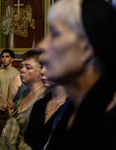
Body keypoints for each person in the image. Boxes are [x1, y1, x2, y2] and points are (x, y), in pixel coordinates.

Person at [38, 0, 116, 149]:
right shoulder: (71, 110)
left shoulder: (112, 120)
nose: (41, 46)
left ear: (86, 48)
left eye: (55, 34)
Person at [0, 49, 48, 150]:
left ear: (42, 71)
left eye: (28, 68)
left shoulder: (44, 99)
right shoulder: (25, 92)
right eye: (22, 66)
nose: (22, 70)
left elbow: (39, 140)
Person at [23, 54, 68, 150]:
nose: (42, 71)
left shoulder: (73, 108)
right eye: (42, 66)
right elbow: (29, 141)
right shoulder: (39, 105)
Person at [0, 49, 19, 136]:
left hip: (12, 108)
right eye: (3, 57)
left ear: (12, 59)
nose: (4, 59)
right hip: (0, 108)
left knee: (11, 135)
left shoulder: (17, 74)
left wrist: (10, 104)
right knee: (1, 135)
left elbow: (18, 93)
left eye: (7, 57)